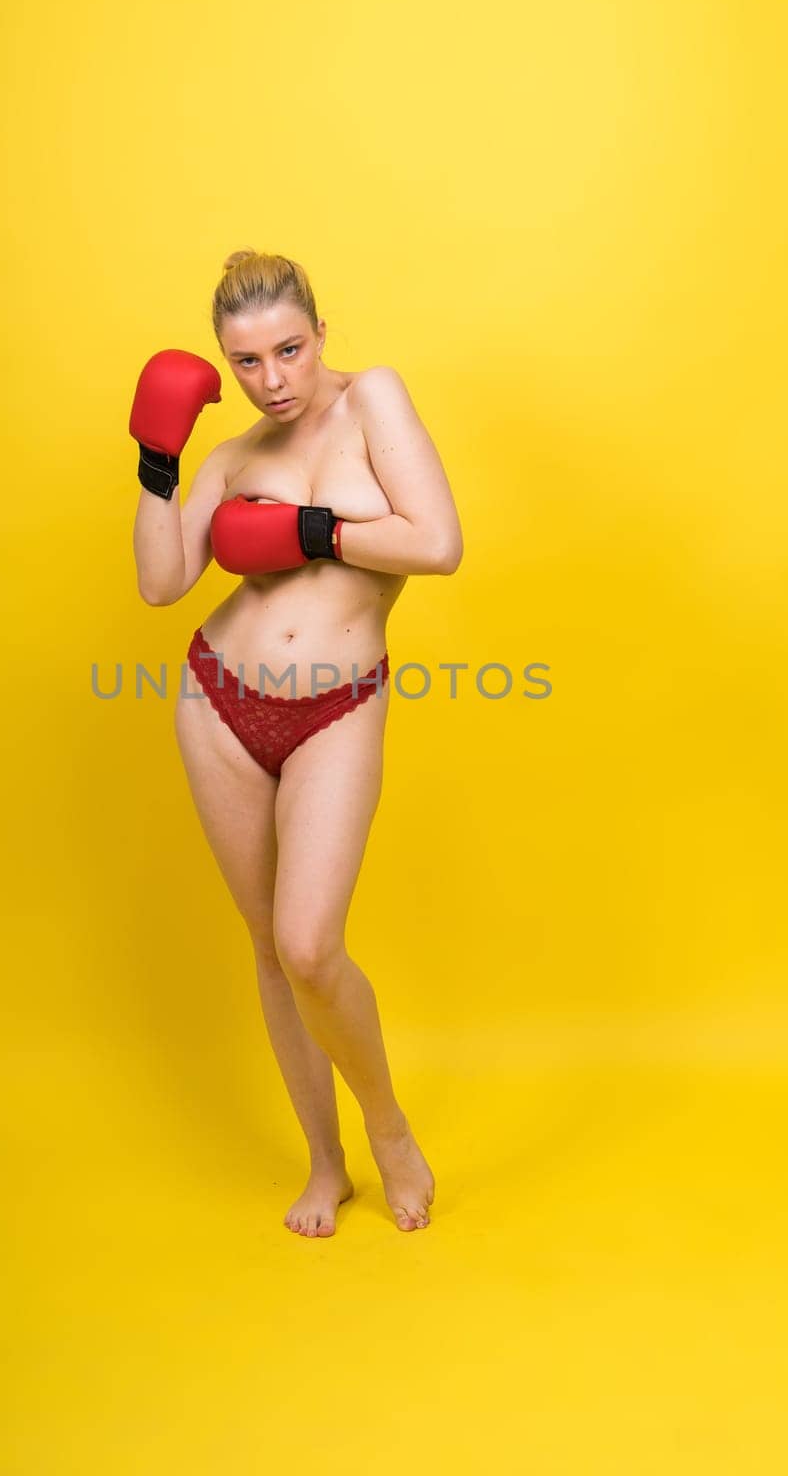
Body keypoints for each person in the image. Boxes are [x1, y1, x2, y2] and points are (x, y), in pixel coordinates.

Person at [130, 249, 463, 1236]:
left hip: (335, 705)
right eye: (245, 362)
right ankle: (325, 1164)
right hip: (218, 700)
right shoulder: (231, 457)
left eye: (287, 350)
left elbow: (435, 542)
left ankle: (387, 1126)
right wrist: (157, 458)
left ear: (321, 331)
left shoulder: (374, 404)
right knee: (267, 950)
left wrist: (312, 529)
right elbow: (159, 582)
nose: (271, 380)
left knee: (309, 941)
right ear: (223, 364)